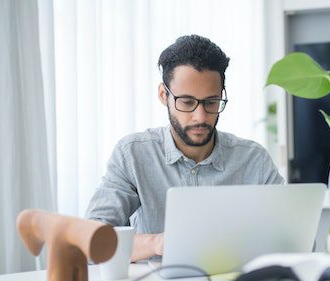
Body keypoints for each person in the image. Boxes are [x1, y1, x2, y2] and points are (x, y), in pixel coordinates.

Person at [85, 35, 284, 261]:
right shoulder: (133, 154)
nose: (200, 117)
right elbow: (91, 241)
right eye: (187, 102)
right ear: (164, 95)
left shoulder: (253, 160)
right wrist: (158, 243)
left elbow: (296, 240)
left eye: (211, 102)